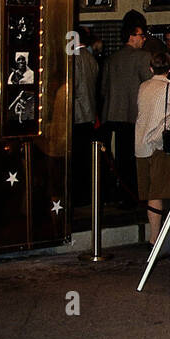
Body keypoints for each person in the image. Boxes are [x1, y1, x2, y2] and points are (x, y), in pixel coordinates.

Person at [135, 51, 170, 244]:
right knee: (158, 192)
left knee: (150, 192)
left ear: (151, 68)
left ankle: (154, 235)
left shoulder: (143, 86)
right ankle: (156, 238)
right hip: (161, 145)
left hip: (141, 145)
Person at [99, 20, 153, 207]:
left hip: (112, 114)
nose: (144, 39)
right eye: (141, 35)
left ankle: (116, 193)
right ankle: (131, 196)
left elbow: (103, 88)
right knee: (132, 158)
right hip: (133, 114)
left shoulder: (111, 58)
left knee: (117, 158)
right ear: (131, 36)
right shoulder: (143, 57)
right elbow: (149, 85)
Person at [71, 26, 101, 208]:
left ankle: (78, 196)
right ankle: (86, 195)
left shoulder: (74, 59)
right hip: (89, 113)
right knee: (86, 159)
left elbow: (73, 88)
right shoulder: (91, 58)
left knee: (77, 159)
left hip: (77, 114)